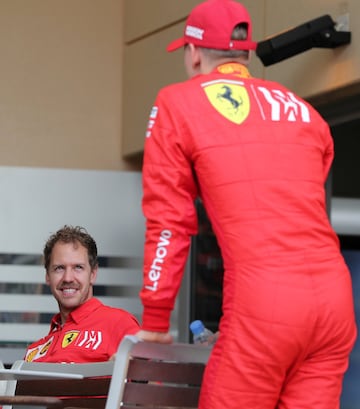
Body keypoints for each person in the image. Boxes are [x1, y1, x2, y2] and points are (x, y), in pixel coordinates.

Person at [135, 0, 357, 408]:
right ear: (245, 52)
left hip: (265, 301)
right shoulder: (305, 112)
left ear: (194, 52)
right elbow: (310, 182)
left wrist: (155, 318)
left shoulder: (178, 102)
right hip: (335, 302)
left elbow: (169, 220)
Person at [25, 225, 140, 363]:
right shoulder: (34, 351)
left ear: (93, 274)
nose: (68, 278)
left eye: (78, 267)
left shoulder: (118, 323)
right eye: (59, 268)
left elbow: (152, 380)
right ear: (48, 276)